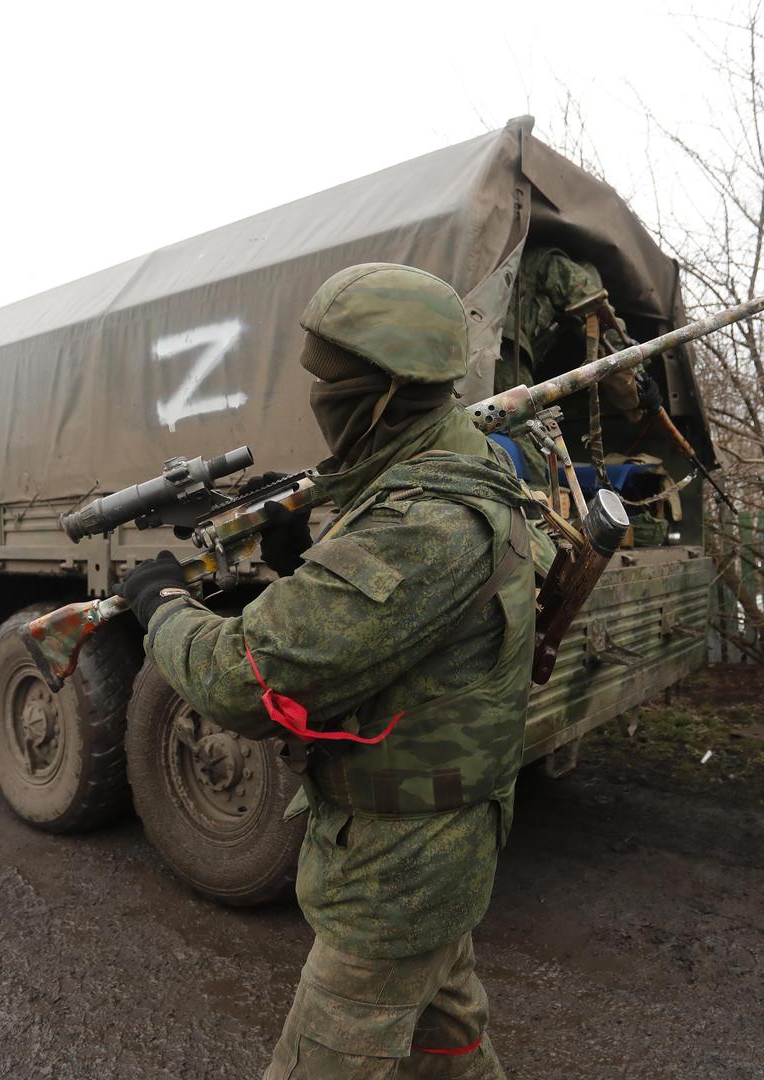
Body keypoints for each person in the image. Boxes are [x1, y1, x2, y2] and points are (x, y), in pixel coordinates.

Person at [117, 263, 548, 1079]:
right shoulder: (464, 466)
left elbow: (244, 683)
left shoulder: (426, 519)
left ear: (383, 390)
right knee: (447, 1028)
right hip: (439, 842)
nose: (317, 398)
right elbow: (398, 628)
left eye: (330, 382)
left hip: (399, 867)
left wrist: (161, 605)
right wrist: (308, 558)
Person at [496, 245, 657, 488]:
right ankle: (541, 508)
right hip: (501, 347)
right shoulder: (550, 263)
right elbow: (598, 311)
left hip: (496, 349)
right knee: (529, 431)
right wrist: (640, 375)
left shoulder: (550, 305)